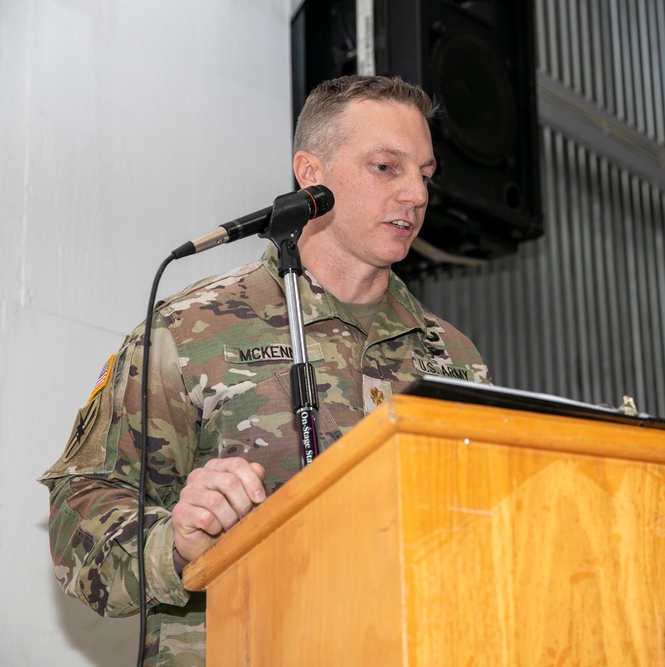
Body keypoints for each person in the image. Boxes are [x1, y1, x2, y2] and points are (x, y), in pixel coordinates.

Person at [40, 74, 490, 666]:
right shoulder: (190, 330)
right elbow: (81, 511)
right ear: (311, 174)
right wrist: (172, 543)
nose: (416, 195)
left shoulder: (455, 360)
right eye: (387, 167)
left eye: (425, 175)